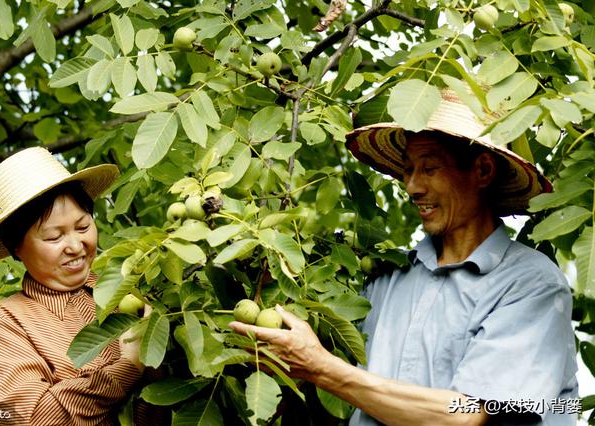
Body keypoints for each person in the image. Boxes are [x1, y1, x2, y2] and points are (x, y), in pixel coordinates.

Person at [230, 89, 578, 425]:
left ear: (483, 170)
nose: (412, 186)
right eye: (408, 170)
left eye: (429, 169)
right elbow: (345, 398)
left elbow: (464, 415)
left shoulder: (531, 284)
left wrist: (319, 366)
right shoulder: (388, 276)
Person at [0, 147, 145, 425]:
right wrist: (128, 366)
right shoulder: (5, 322)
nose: (75, 246)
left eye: (83, 227)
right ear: (16, 248)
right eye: (53, 237)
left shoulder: (131, 291)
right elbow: (35, 418)